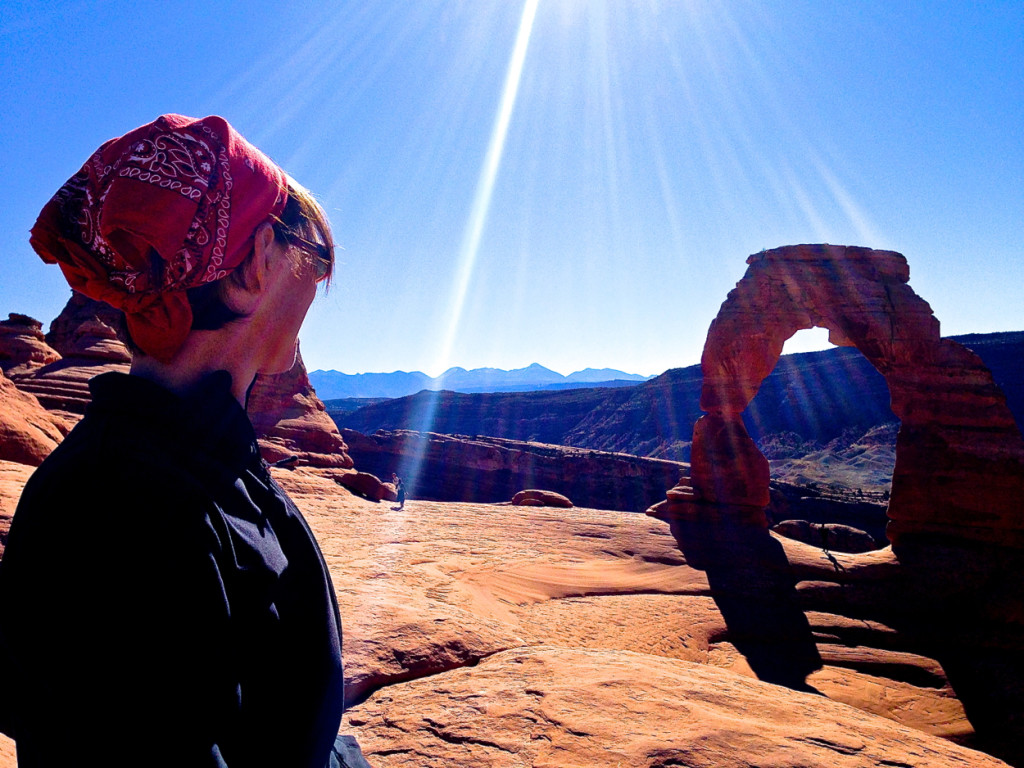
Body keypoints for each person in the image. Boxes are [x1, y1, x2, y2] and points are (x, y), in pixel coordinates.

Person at [0, 115, 370, 767]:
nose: (320, 287)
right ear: (257, 265)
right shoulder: (118, 512)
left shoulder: (189, 462)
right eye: (316, 259)